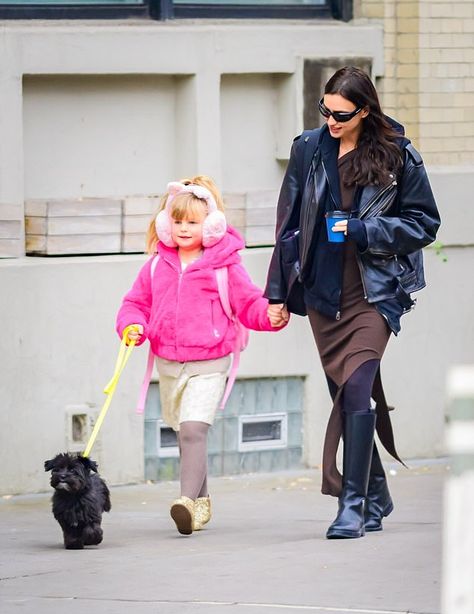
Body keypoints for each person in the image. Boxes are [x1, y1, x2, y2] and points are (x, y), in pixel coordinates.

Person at [265, 66, 440, 540]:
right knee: (345, 398)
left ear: (365, 110)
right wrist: (277, 293)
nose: (331, 120)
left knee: (357, 390)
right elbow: (287, 225)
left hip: (373, 292)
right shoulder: (309, 148)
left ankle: (353, 504)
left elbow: (425, 223)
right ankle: (378, 494)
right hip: (323, 292)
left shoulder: (398, 155)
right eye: (325, 109)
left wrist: (365, 230)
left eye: (341, 113)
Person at [116, 175, 287, 536]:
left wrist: (270, 316)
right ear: (166, 222)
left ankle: (186, 501)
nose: (182, 228)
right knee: (184, 432)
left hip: (210, 362)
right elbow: (135, 304)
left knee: (194, 428)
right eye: (176, 220)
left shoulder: (223, 265)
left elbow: (248, 304)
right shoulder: (155, 266)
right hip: (168, 362)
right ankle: (203, 502)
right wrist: (132, 326)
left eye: (192, 222)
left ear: (211, 225)